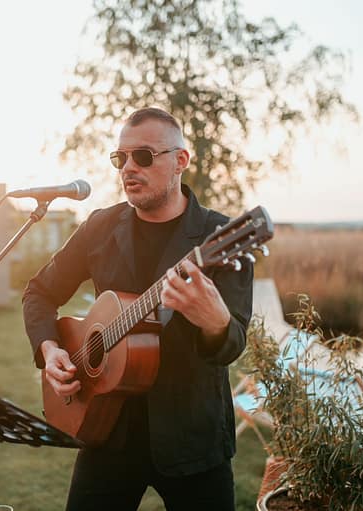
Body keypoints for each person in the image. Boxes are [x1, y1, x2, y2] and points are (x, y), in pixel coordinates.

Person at [22, 107, 253, 511]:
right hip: (106, 428)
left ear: (180, 161)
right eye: (121, 158)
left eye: (143, 156)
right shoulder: (99, 226)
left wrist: (214, 320)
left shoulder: (220, 239)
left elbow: (232, 344)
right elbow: (39, 293)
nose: (129, 167)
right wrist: (50, 349)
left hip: (192, 442)